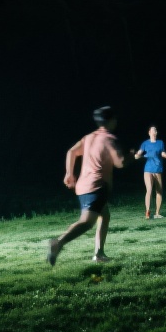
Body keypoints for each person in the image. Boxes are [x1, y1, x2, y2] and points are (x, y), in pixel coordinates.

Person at [47, 106, 125, 266]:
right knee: (87, 222)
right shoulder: (108, 138)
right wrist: (132, 156)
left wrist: (69, 173)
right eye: (115, 118)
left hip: (83, 185)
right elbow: (120, 163)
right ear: (111, 121)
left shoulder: (89, 137)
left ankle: (99, 254)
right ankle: (58, 243)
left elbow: (72, 152)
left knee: (105, 215)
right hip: (96, 186)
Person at [134, 125, 166, 218]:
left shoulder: (160, 143)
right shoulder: (145, 143)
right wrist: (137, 155)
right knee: (149, 189)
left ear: (156, 133)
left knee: (159, 191)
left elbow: (162, 153)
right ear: (149, 133)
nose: (154, 131)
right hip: (148, 169)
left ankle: (157, 213)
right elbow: (139, 153)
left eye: (155, 130)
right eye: (152, 130)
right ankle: (147, 211)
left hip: (158, 169)